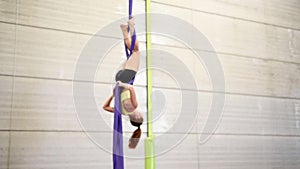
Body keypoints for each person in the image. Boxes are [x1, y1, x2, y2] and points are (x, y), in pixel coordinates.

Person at [103, 17, 143, 149]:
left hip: (127, 77)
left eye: (141, 115)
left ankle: (128, 28)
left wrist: (123, 85)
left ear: (137, 116)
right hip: (119, 77)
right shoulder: (122, 112)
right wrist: (114, 95)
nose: (140, 112)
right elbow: (105, 107)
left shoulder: (134, 106)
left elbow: (131, 89)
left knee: (136, 50)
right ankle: (126, 30)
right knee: (132, 52)